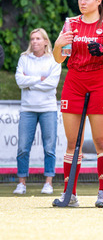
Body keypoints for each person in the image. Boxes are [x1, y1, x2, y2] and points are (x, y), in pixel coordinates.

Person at [53, 0, 103, 207]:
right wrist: (57, 44)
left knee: (102, 142)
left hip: (99, 83)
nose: (82, 3)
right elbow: (59, 58)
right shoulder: (70, 23)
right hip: (73, 82)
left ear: (99, 1)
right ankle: (69, 194)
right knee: (73, 143)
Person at [14, 28, 61, 195]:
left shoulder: (54, 59)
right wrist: (39, 79)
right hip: (27, 109)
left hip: (48, 109)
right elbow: (20, 80)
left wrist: (30, 83)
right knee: (23, 148)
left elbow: (52, 84)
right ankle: (21, 183)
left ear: (46, 42)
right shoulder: (24, 58)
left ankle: (48, 182)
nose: (35, 42)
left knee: (49, 148)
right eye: (32, 38)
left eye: (38, 39)